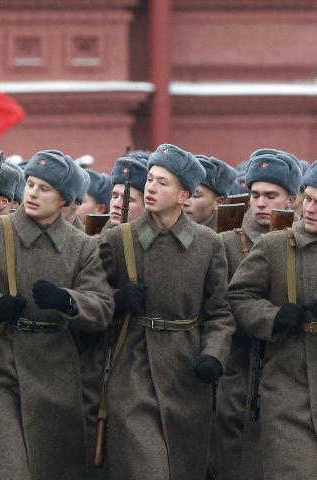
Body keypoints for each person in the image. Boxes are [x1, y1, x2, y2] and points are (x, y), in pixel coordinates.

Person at [0, 149, 113, 479]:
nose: (33, 194)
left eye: (45, 188)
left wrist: (68, 302)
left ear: (66, 200)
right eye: (31, 184)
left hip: (55, 373)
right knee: (7, 471)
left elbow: (101, 307)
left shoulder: (82, 246)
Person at [99, 144, 234, 480]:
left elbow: (219, 311)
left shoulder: (207, 243)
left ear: (184, 195)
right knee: (147, 466)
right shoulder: (119, 239)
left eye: (163, 183)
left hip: (187, 374)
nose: (151, 188)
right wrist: (117, 300)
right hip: (132, 367)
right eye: (151, 180)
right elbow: (93, 297)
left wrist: (213, 354)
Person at [213, 148, 303, 480]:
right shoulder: (225, 243)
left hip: (292, 374)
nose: (261, 202)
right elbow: (217, 308)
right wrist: (267, 317)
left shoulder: (303, 242)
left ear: (292, 198)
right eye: (255, 194)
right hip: (238, 371)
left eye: (271, 195)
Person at [183, 155, 236, 230]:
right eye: (183, 193)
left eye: (195, 195)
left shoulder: (227, 239)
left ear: (218, 202)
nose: (185, 202)